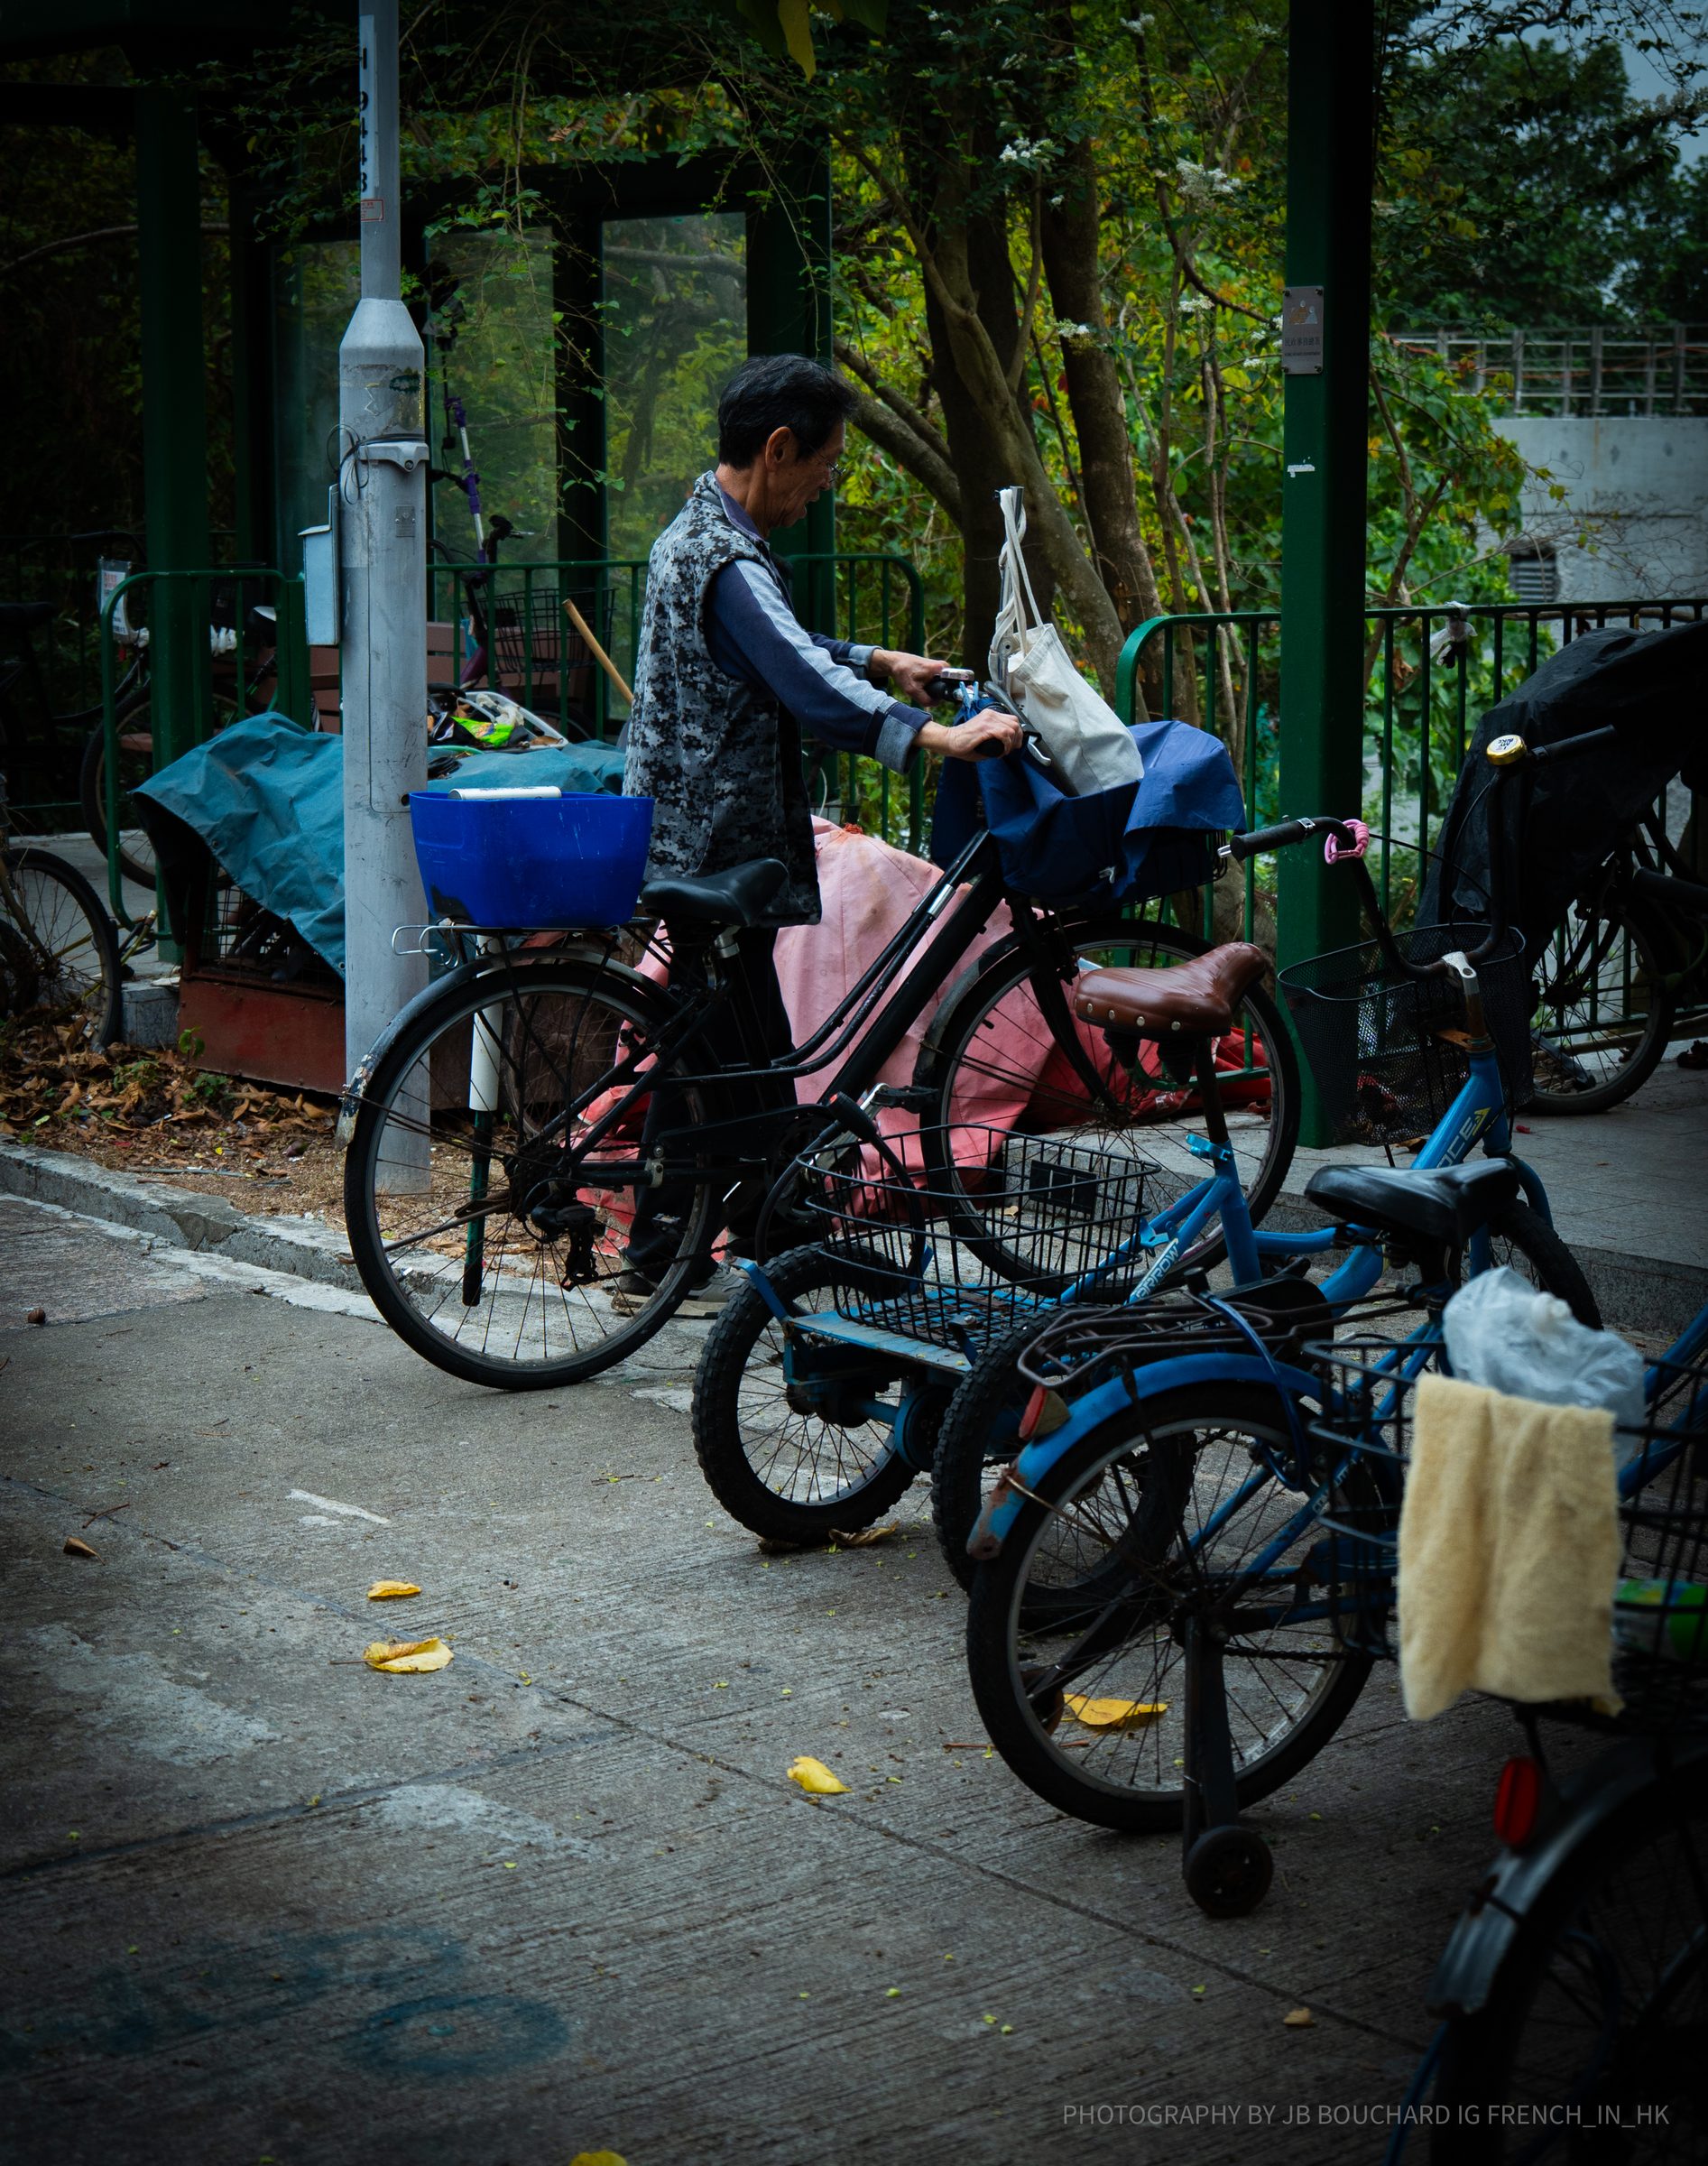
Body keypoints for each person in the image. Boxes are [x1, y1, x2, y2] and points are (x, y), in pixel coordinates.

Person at [613, 351, 1020, 1311]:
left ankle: (769, 1229)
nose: (824, 486)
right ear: (778, 448)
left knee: (739, 1047)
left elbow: (781, 647)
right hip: (715, 839)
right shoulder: (726, 559)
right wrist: (935, 737)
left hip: (702, 833)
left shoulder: (705, 533)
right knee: (720, 1050)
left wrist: (878, 660)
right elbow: (799, 680)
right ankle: (678, 1251)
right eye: (824, 466)